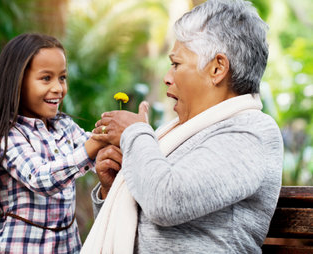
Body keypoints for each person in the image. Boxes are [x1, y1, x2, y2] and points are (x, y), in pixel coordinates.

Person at [83, 0, 284, 253]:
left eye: (176, 64)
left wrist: (135, 133)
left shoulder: (252, 132)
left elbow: (168, 202)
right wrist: (114, 188)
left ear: (217, 68)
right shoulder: (181, 132)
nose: (167, 77)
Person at [0, 33, 105, 253]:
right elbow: (41, 179)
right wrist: (94, 145)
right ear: (17, 82)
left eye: (62, 77)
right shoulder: (8, 136)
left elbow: (99, 154)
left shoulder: (65, 126)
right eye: (46, 78)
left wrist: (122, 136)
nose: (59, 88)